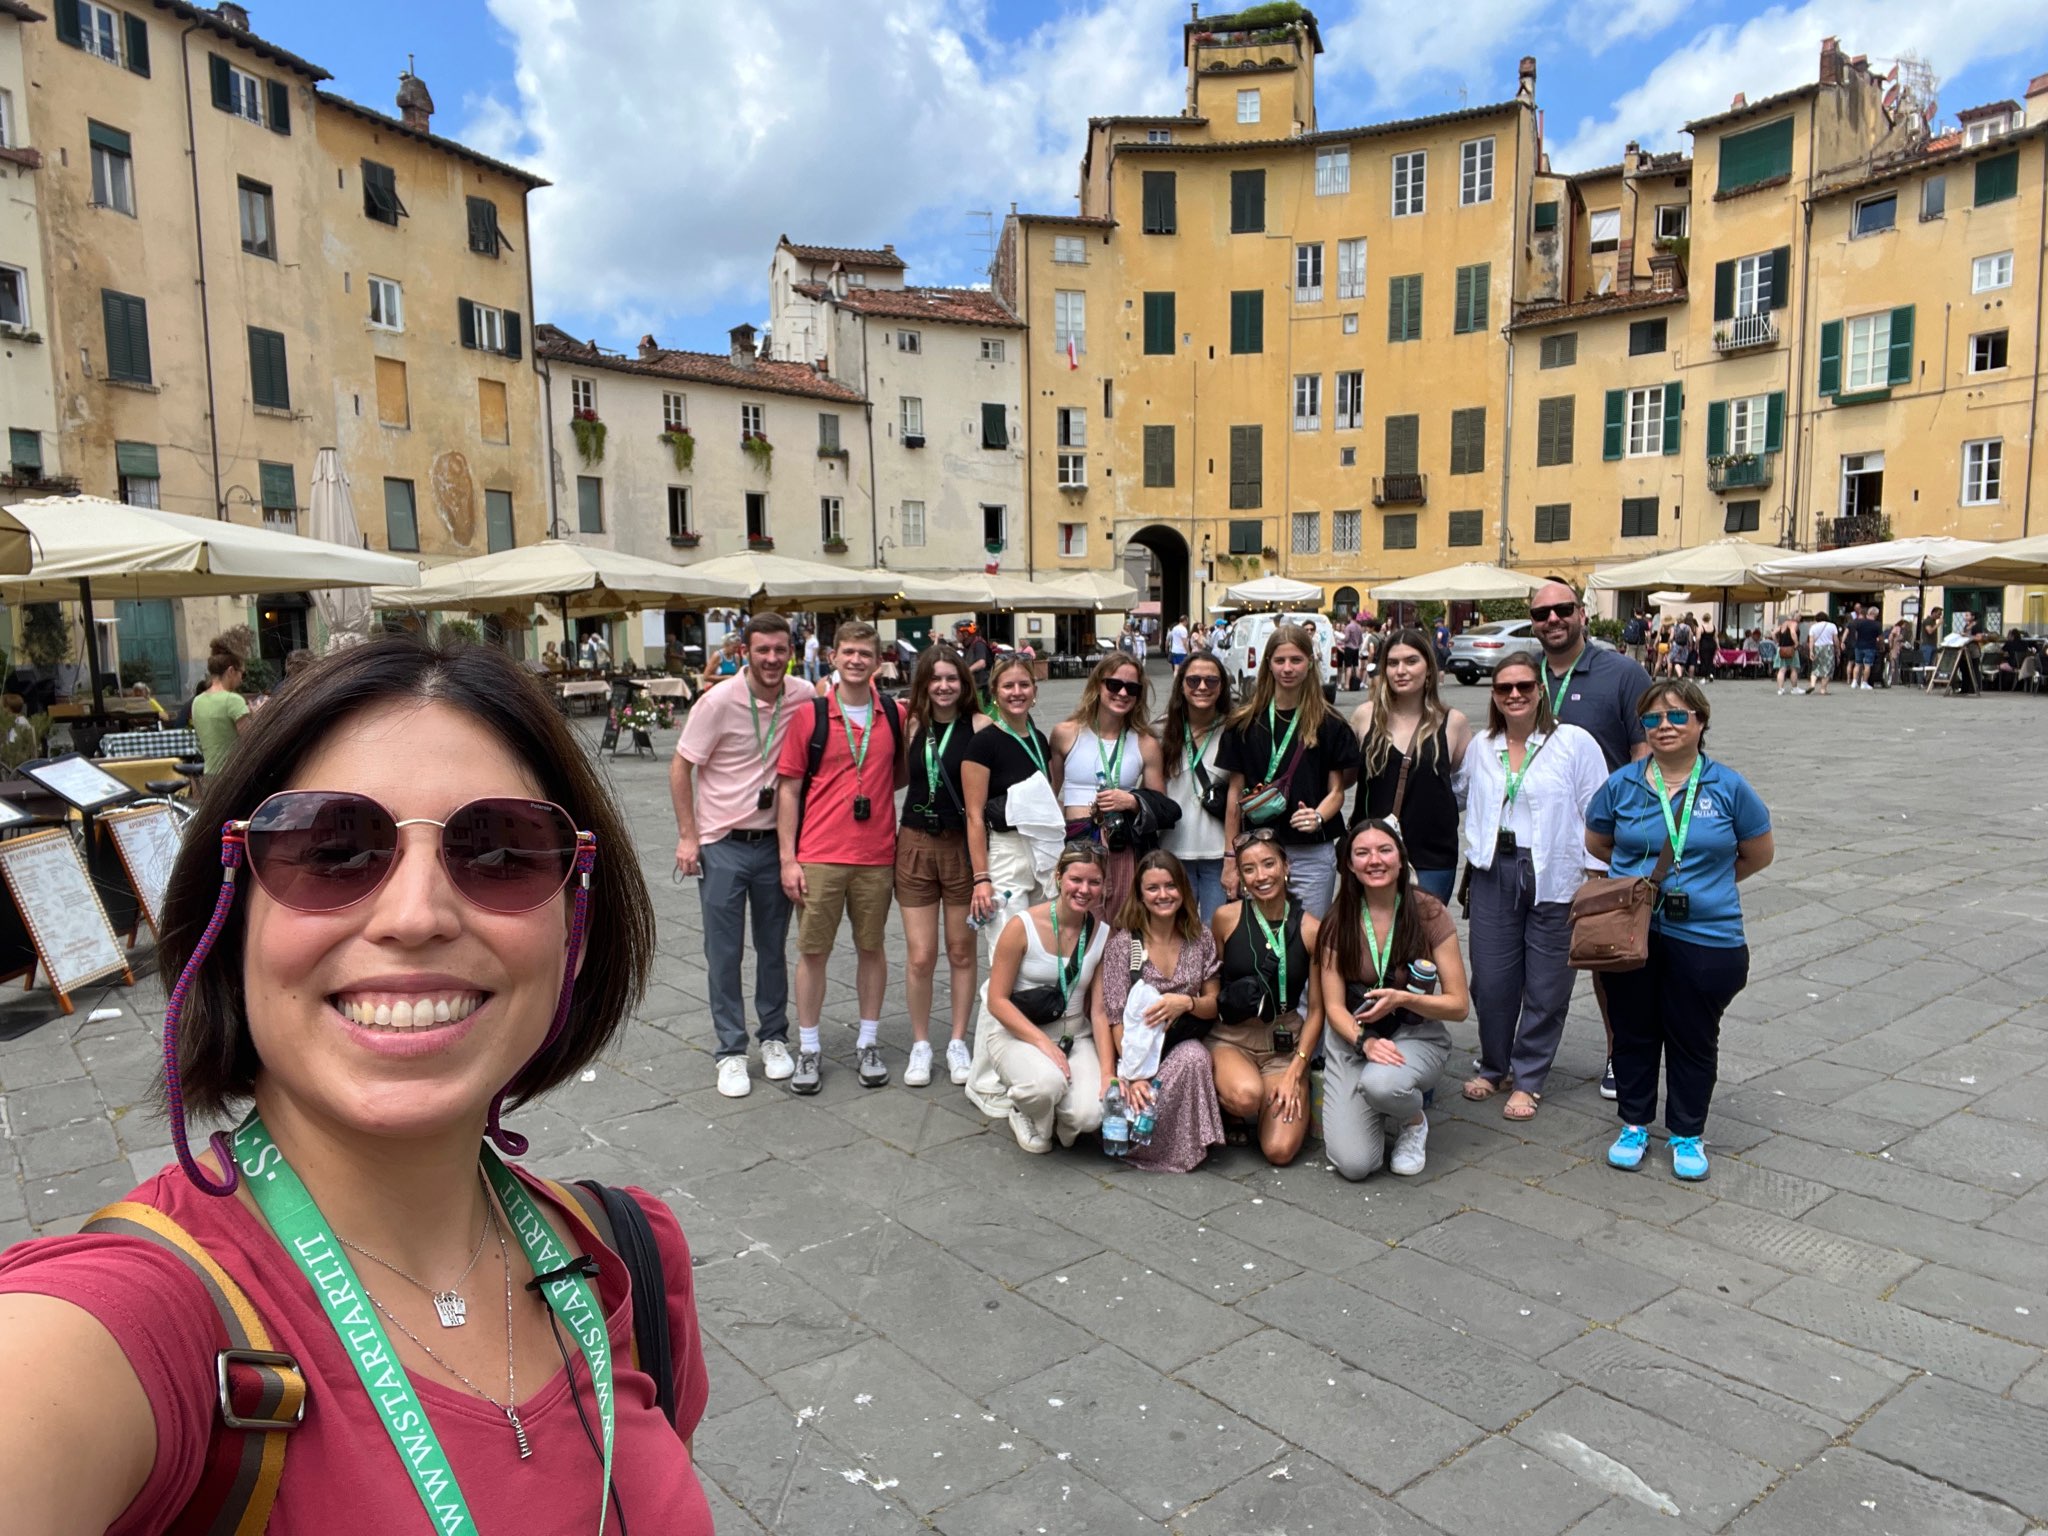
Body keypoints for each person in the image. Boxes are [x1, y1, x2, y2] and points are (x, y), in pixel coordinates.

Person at [0, 637, 712, 1533]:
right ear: (229, 913)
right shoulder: (129, 1331)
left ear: (574, 920)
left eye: (500, 852)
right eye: (331, 851)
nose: (416, 916)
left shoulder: (630, 1260)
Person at [1588, 679, 1773, 1182]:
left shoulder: (1728, 786)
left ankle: (1688, 1133)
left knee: (1694, 1037)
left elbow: (1758, 854)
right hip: (1634, 932)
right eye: (1652, 719)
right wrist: (1644, 888)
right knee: (1632, 1030)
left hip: (1707, 934)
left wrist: (1709, 883)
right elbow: (1600, 841)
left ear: (1701, 722)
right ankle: (1633, 1124)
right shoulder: (1623, 784)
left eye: (1676, 716)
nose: (1663, 727)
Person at [1454, 652, 1609, 1121]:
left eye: (1524, 686)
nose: (1515, 695)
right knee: (1492, 981)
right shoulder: (1482, 745)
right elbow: (1460, 794)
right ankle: (1494, 1063)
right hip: (1493, 871)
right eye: (1505, 689)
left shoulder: (1574, 743)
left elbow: (1598, 811)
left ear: (1540, 690)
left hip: (1556, 872)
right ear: (1494, 697)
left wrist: (1595, 874)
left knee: (1547, 984)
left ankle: (1529, 1077)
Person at [674, 613, 816, 1098]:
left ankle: (774, 1039)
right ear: (745, 653)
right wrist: (688, 837)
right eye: (763, 650)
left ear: (790, 651)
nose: (772, 659)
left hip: (775, 844)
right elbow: (680, 768)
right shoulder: (717, 702)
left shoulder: (804, 695)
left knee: (773, 949)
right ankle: (731, 1051)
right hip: (723, 845)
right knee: (724, 953)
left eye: (780, 649)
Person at [1527, 578, 1651, 1100]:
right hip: (1534, 839)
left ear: (1583, 613)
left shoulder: (1622, 673)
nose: (1552, 620)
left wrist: (1639, 827)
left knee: (1607, 955)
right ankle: (1522, 1052)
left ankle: (1618, 1054)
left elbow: (1644, 752)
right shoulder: (1520, 676)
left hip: (1604, 842)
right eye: (1541, 614)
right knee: (1531, 953)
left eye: (1562, 610)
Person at [776, 621, 908, 1093]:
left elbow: (895, 777)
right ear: (832, 657)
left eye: (865, 654)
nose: (856, 660)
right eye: (848, 652)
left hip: (876, 855)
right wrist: (788, 859)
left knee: (872, 948)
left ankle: (868, 1041)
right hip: (819, 855)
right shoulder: (809, 717)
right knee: (813, 952)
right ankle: (808, 1048)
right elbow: (788, 790)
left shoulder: (891, 715)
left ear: (878, 661)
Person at [1317, 820, 1471, 1180]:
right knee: (1355, 1165)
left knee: (1382, 1085)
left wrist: (1402, 998)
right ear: (1350, 866)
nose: (1375, 860)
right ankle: (1377, 1096)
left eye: (1384, 850)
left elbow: (1459, 1005)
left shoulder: (1429, 911)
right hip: (1355, 1038)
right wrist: (1364, 1042)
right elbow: (1334, 1007)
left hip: (1415, 1034)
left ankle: (1413, 1120)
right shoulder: (1338, 919)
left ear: (1401, 859)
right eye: (1362, 853)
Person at [964, 843, 1114, 1153]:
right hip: (1020, 1032)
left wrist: (1107, 1074)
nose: (1084, 890)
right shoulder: (1022, 926)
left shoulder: (1103, 934)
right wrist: (1043, 1044)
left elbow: (1098, 1012)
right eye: (1076, 879)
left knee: (1090, 1115)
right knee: (1047, 1084)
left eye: (1094, 882)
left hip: (1075, 1035)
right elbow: (997, 1001)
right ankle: (1024, 1110)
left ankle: (1054, 1113)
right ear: (1059, 877)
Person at [1088, 851, 1224, 1173]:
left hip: (1180, 1043)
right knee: (1177, 1067)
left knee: (1194, 1056)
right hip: (1135, 1054)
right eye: (1152, 888)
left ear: (1183, 889)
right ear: (1140, 894)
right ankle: (1140, 1136)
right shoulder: (1124, 945)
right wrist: (1135, 1075)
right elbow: (1116, 1018)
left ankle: (1156, 1141)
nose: (1163, 895)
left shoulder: (1200, 936)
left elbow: (1214, 1004)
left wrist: (1186, 1002)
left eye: (1170, 886)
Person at [897, 644, 989, 1088]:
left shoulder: (980, 727)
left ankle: (956, 1041)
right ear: (924, 684)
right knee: (920, 955)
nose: (944, 686)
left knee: (960, 951)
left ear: (964, 682)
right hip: (914, 843)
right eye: (935, 679)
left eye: (951, 678)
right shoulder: (912, 723)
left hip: (962, 848)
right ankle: (919, 1044)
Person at [1217, 623, 1355, 918]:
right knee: (1260, 936)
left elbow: (1337, 791)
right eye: (1280, 661)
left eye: (1296, 660)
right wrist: (1230, 857)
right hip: (1257, 850)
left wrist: (1318, 815)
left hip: (1311, 853)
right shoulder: (1243, 723)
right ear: (1268, 664)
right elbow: (1234, 795)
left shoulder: (1330, 723)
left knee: (1308, 936)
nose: (1288, 668)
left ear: (1310, 663)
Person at [1209, 830, 1323, 1165]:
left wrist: (1295, 1072)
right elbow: (1211, 980)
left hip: (1284, 1044)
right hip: (1232, 1038)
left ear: (1286, 866)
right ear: (1241, 878)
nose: (1261, 876)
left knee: (1279, 1151)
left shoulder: (1312, 929)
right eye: (1249, 869)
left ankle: (1282, 1090)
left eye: (1269, 864)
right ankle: (1227, 1103)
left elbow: (1317, 1011)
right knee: (1246, 1097)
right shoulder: (1225, 919)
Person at [1347, 627, 1471, 902]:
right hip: (1371, 853)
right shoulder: (1365, 717)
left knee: (1423, 939)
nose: (1400, 670)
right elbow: (1345, 777)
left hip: (1431, 856)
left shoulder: (1453, 723)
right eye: (1392, 663)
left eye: (1411, 661)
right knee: (1372, 939)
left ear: (1429, 668)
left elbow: (1462, 788)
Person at [964, 654, 1062, 968]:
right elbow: (974, 816)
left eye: (1024, 684)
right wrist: (981, 879)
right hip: (1006, 854)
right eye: (1008, 686)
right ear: (994, 692)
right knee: (1005, 956)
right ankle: (1000, 1017)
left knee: (1039, 950)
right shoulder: (984, 743)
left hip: (1042, 851)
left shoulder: (1039, 740)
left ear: (1035, 690)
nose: (1016, 692)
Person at [1051, 653, 1165, 921]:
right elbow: (1049, 794)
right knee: (1076, 924)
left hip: (1119, 843)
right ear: (1097, 686)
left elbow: (1158, 804)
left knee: (1120, 922)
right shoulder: (1066, 733)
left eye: (1132, 688)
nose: (1122, 693)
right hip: (1075, 842)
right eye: (1114, 685)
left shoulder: (1145, 743)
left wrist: (1132, 801)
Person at [1160, 653, 1234, 922]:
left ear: (1222, 687)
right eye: (1193, 680)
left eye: (1211, 681)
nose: (1202, 687)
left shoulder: (1235, 729)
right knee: (1180, 934)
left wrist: (1233, 856)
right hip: (1174, 851)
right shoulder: (1162, 731)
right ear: (1181, 685)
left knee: (1216, 932)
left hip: (1219, 853)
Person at [191, 639, 251, 777]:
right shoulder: (233, 700)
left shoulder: (197, 702)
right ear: (231, 671)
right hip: (233, 774)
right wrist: (259, 715)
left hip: (210, 773)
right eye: (242, 673)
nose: (241, 679)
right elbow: (250, 740)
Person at [1847, 604, 1884, 691]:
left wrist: (1857, 641)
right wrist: (1881, 645)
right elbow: (1880, 638)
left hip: (1859, 645)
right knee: (1867, 665)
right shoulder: (1877, 625)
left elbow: (1856, 634)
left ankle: (1854, 682)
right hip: (1870, 646)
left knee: (1857, 664)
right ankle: (1864, 682)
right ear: (1876, 615)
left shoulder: (1860, 622)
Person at [1807, 610, 1839, 695]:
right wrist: (1837, 649)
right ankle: (1823, 689)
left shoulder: (1813, 627)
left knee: (1816, 667)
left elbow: (1811, 640)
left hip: (1817, 648)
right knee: (1827, 669)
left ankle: (1812, 684)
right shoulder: (1832, 626)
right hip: (1828, 648)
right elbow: (1835, 639)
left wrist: (1811, 651)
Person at [1774, 616, 1800, 696]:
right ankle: (1794, 688)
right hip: (1791, 649)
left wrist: (1777, 642)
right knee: (1793, 669)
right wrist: (1796, 643)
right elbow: (1792, 632)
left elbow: (1773, 633)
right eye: (1800, 616)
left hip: (1782, 649)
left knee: (1782, 669)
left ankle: (1780, 689)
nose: (1800, 618)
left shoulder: (1783, 624)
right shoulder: (1794, 624)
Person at [1340, 613, 1365, 692]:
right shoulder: (1359, 627)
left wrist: (1341, 639)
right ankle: (1357, 683)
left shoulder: (1349, 627)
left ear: (1350, 617)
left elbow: (1346, 638)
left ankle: (1347, 684)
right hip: (1356, 648)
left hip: (1349, 647)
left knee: (1348, 666)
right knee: (1356, 666)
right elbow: (1361, 640)